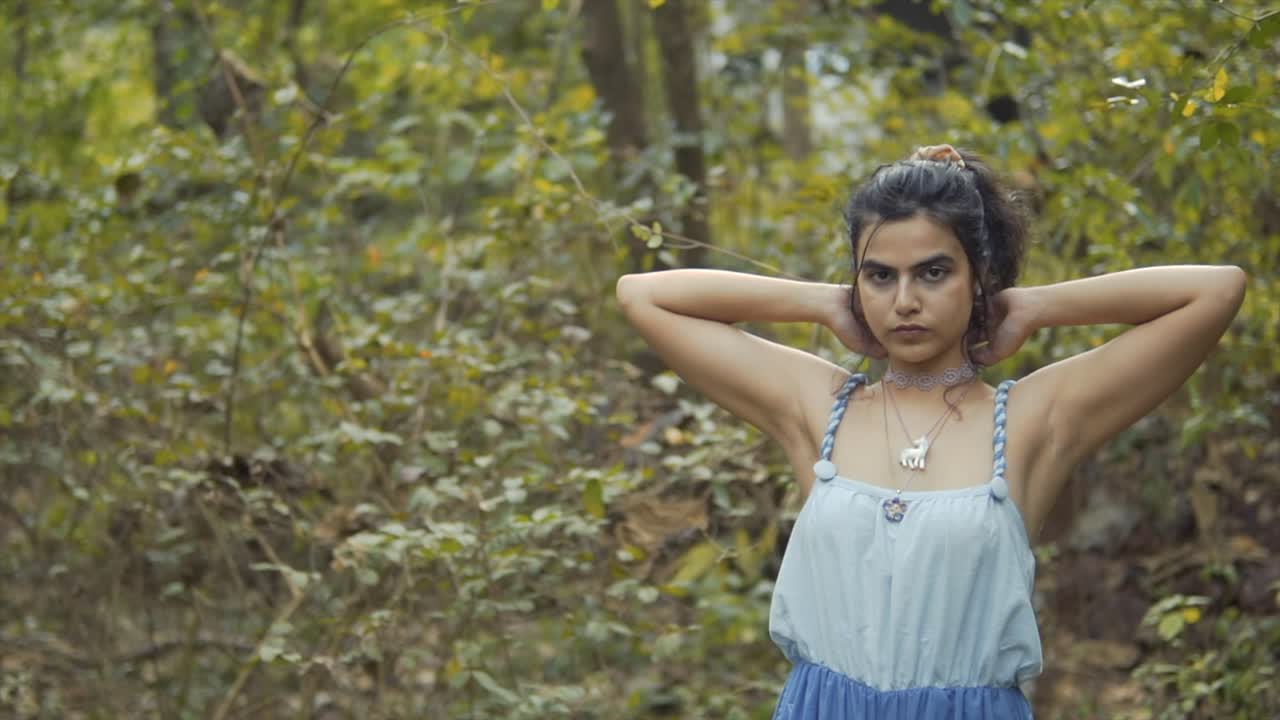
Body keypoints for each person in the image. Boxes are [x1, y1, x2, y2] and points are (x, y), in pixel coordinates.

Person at [613, 144, 1247, 719]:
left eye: (934, 273)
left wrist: (1030, 307)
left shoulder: (1031, 419)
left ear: (978, 277)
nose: (905, 300)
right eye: (881, 276)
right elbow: (643, 296)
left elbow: (1215, 291)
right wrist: (824, 303)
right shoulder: (820, 407)